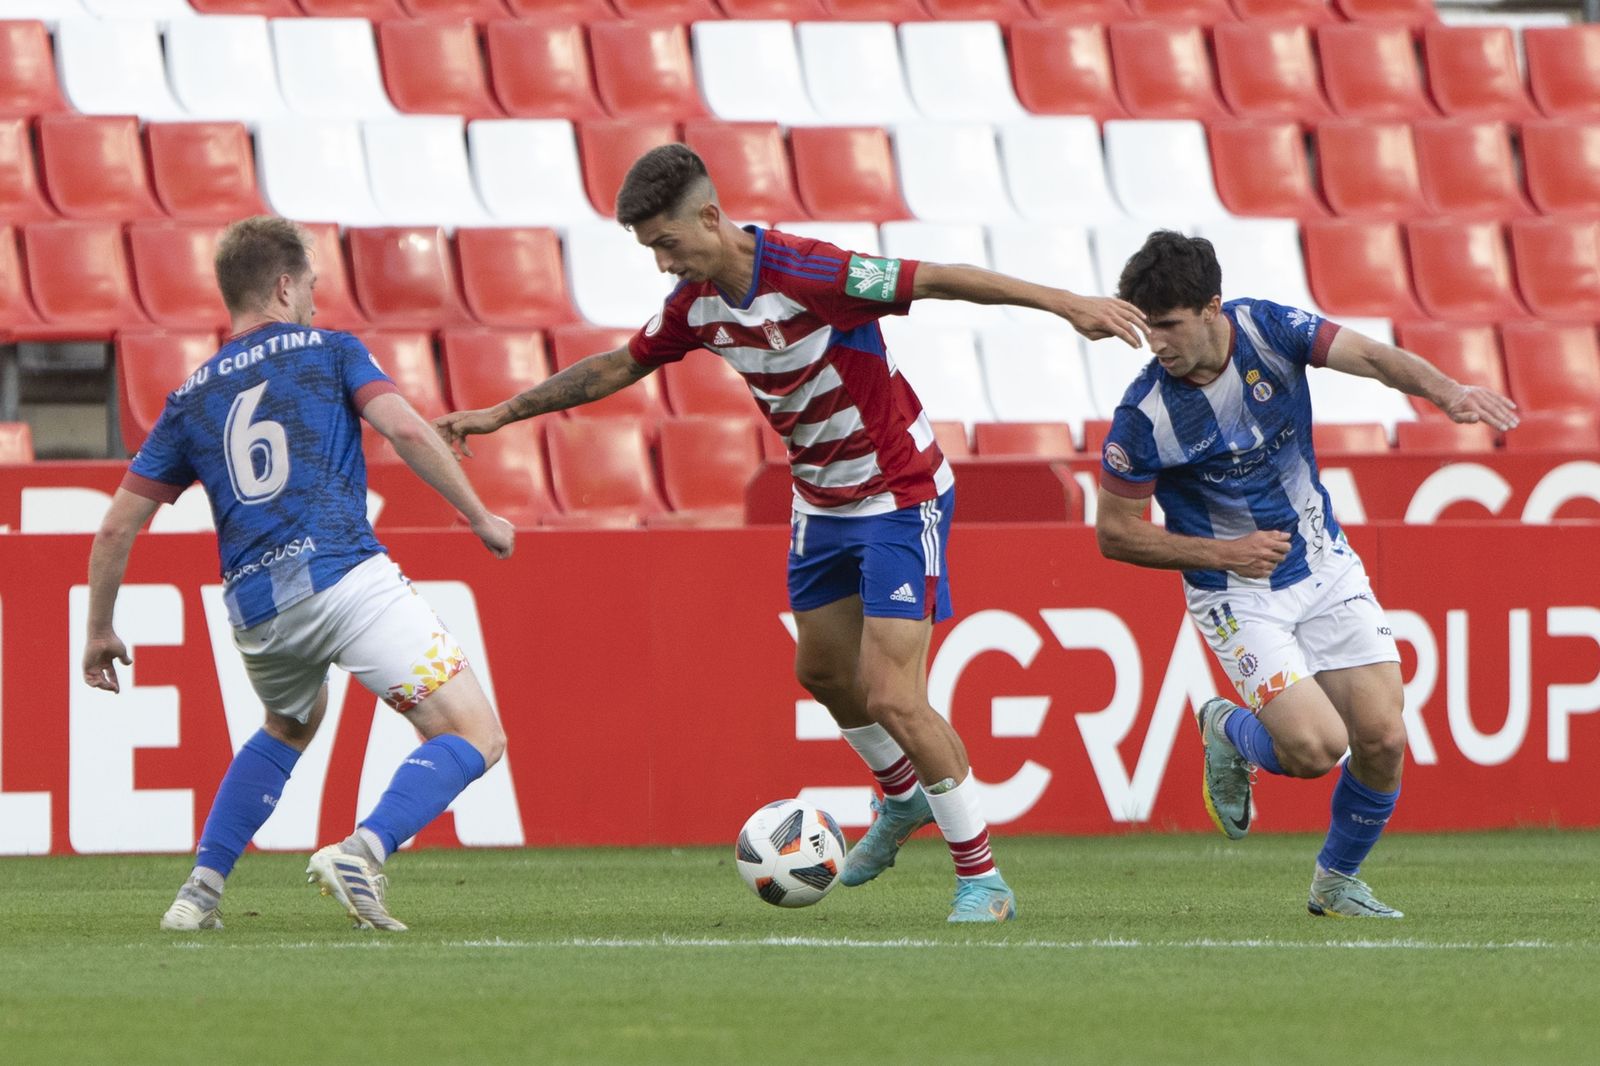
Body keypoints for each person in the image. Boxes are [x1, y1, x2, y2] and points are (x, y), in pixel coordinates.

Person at [434, 144, 1148, 923]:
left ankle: (982, 879)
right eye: (651, 251)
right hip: (821, 504)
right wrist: (501, 414)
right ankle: (902, 800)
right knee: (823, 674)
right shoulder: (694, 307)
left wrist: (1068, 303)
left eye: (667, 244)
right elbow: (616, 366)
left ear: (711, 216)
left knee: (893, 697)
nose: (663, 264)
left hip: (899, 495)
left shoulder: (814, 273)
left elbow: (939, 278)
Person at [81, 216, 516, 932]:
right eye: (311, 283)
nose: (315, 298)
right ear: (284, 286)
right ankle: (363, 850)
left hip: (259, 609)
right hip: (346, 577)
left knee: (288, 724)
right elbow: (406, 428)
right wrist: (478, 515)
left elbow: (117, 526)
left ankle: (198, 893)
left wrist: (99, 631)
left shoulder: (190, 397)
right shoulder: (332, 351)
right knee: (476, 736)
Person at [1094, 231, 1519, 918]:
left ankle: (1335, 882)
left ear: (1211, 308)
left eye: (1167, 326)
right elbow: (1114, 534)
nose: (1157, 344)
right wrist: (1222, 554)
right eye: (1147, 328)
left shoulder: (1269, 328)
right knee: (1316, 748)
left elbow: (1372, 356)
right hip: (1235, 592)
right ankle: (1228, 729)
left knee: (1383, 739)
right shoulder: (1144, 417)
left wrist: (1447, 392)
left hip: (1321, 562)